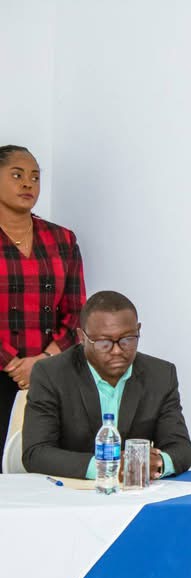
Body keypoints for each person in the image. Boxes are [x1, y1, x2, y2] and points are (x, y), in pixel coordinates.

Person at [22, 290, 191, 479]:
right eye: (104, 342)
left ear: (138, 330)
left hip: (134, 492)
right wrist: (106, 467)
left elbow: (182, 449)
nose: (117, 351)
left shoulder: (160, 375)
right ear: (82, 337)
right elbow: (35, 453)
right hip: (70, 489)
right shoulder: (51, 374)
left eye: (127, 339)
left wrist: (158, 463)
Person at [0, 145, 85, 466]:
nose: (28, 184)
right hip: (5, 370)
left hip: (51, 374)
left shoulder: (62, 239)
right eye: (17, 175)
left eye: (35, 177)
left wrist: (43, 362)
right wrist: (13, 364)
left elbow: (77, 311)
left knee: (47, 467)